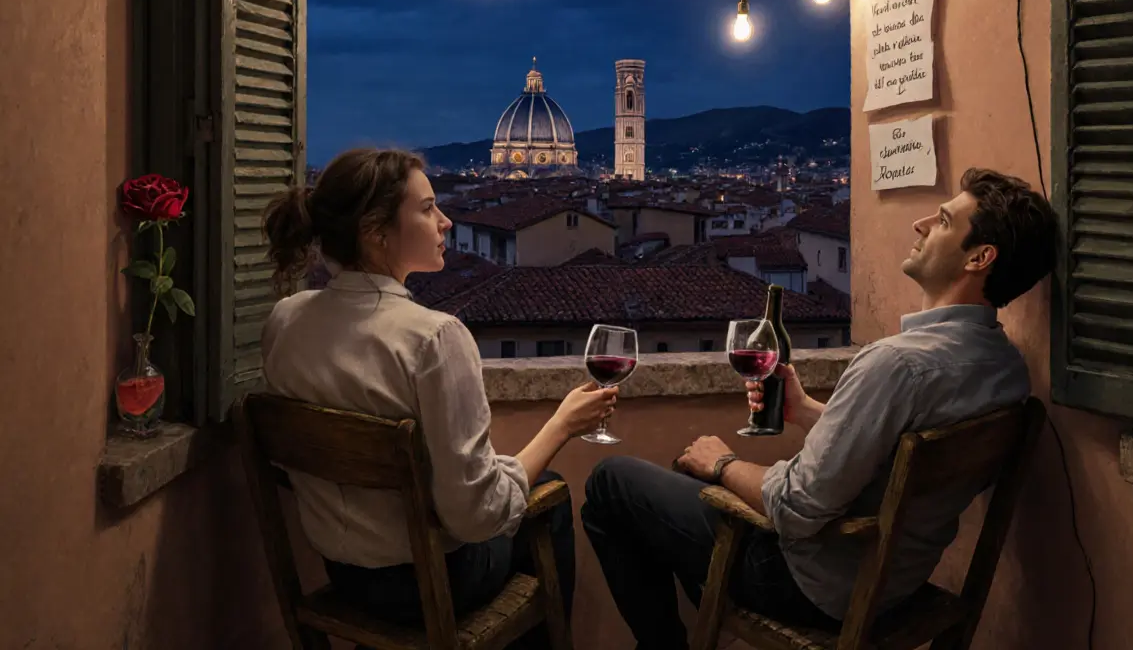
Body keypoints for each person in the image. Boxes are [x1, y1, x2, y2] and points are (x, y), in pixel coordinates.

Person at [581, 168, 1059, 649]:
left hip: (813, 585)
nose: (920, 224)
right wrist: (808, 410)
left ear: (979, 257)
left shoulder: (895, 364)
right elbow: (890, 449)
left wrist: (722, 463)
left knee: (613, 482)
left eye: (942, 221)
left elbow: (796, 508)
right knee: (687, 486)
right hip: (898, 582)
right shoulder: (1004, 367)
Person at [260, 148, 617, 643]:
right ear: (374, 231)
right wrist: (561, 425)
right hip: (425, 583)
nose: (446, 221)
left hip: (341, 573)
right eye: (428, 208)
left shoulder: (286, 319)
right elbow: (476, 517)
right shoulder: (434, 338)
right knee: (549, 494)